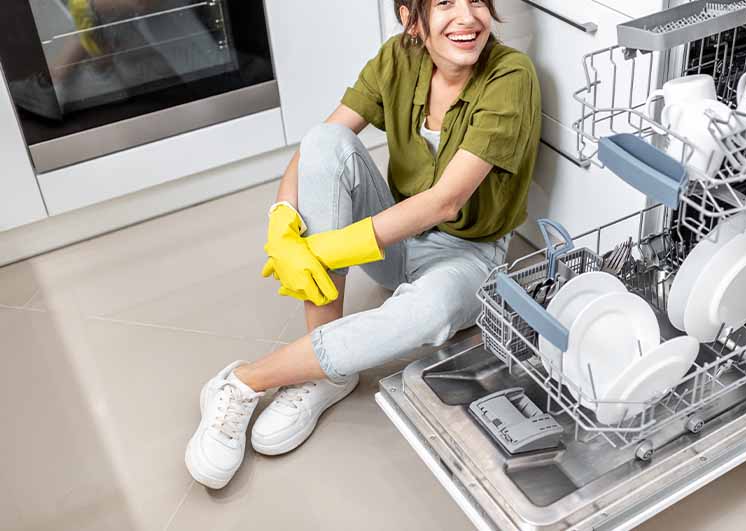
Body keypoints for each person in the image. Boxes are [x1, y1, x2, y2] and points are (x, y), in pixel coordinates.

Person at [185, 0, 541, 489]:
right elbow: (323, 140)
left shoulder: (511, 75)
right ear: (409, 17)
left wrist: (326, 251)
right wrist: (282, 222)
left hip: (467, 255)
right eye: (445, 3)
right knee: (326, 141)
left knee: (427, 313)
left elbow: (445, 201)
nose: (468, 17)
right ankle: (324, 375)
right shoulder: (399, 57)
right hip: (393, 239)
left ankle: (242, 381)